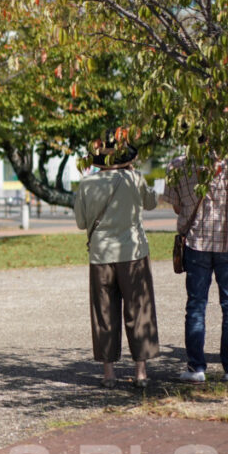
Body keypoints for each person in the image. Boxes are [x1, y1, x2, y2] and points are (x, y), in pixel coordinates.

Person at [74, 130, 159, 388]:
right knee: (139, 309)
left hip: (101, 254)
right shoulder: (134, 179)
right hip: (133, 253)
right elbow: (152, 203)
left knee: (104, 313)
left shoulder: (86, 184)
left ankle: (109, 372)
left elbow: (80, 223)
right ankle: (140, 371)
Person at [161, 154, 228, 383]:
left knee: (196, 306)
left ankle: (196, 368)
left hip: (196, 242)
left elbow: (176, 207)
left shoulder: (177, 164)